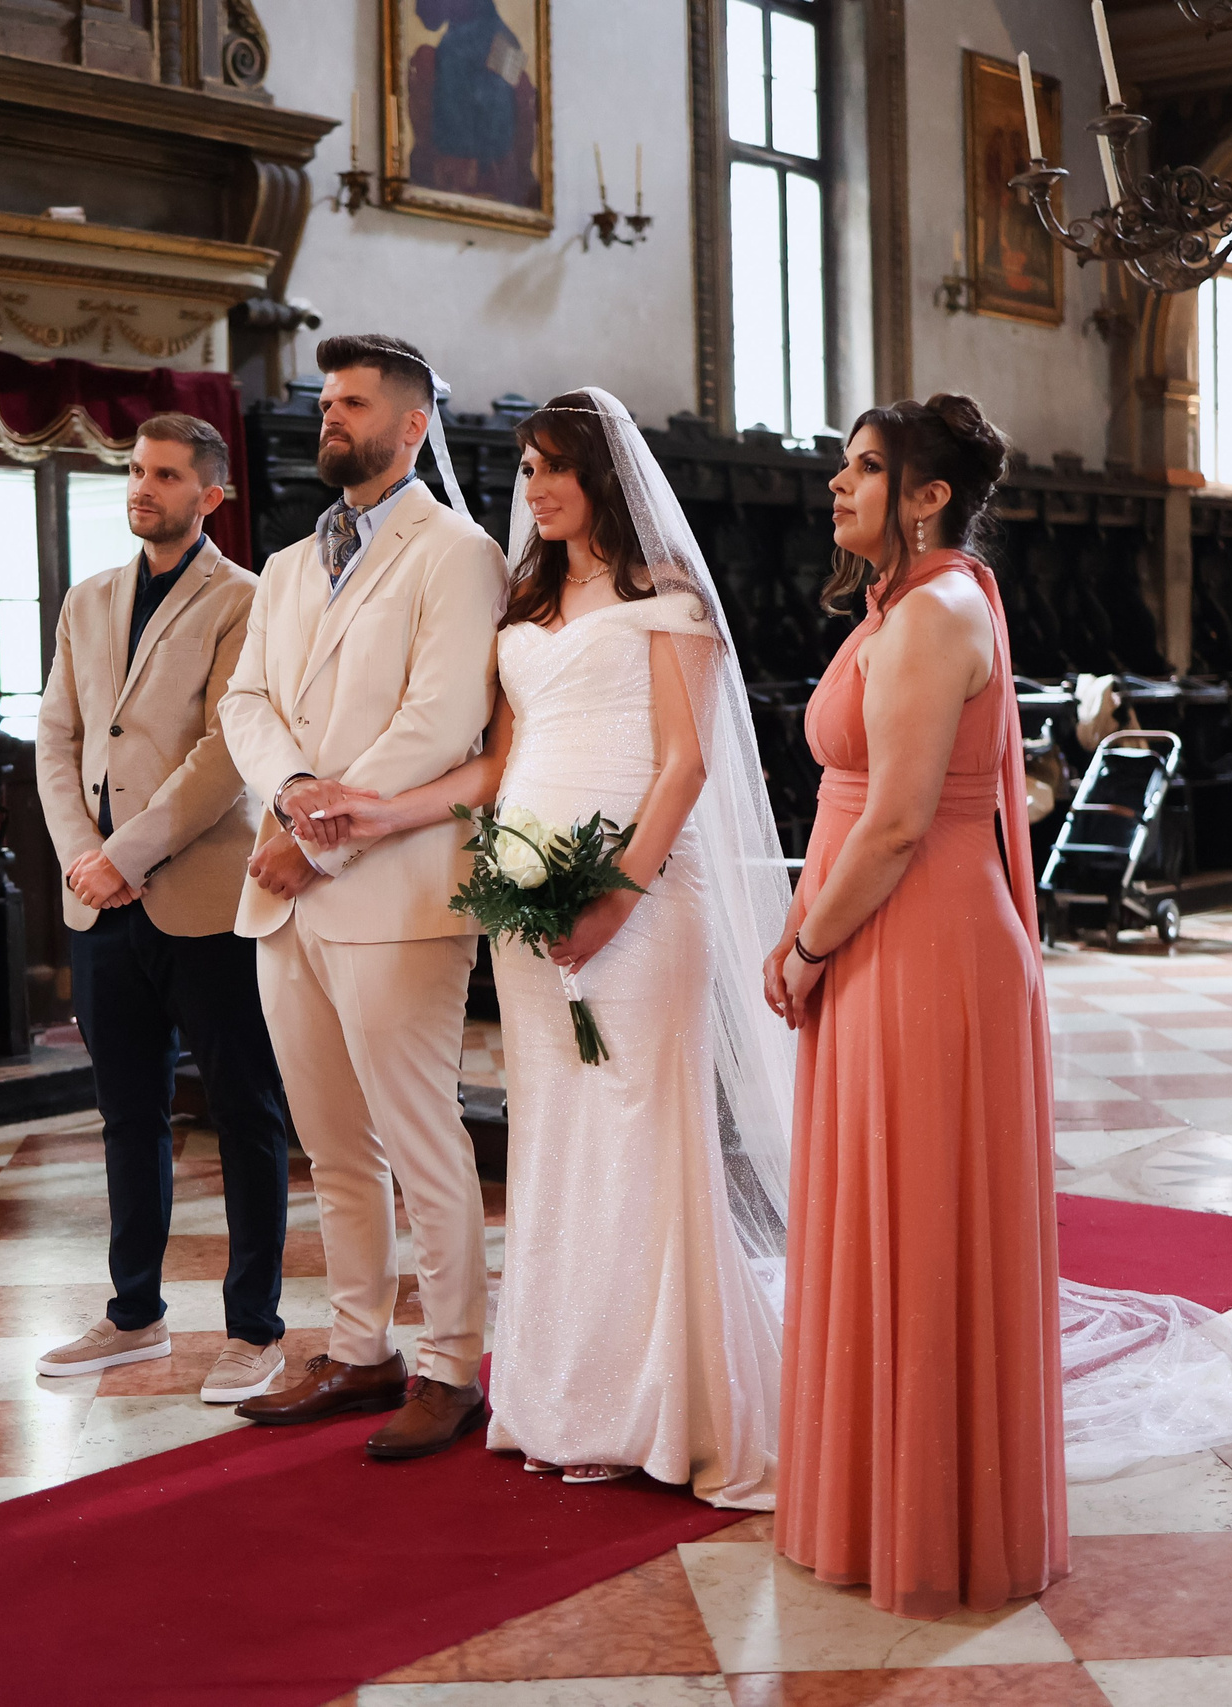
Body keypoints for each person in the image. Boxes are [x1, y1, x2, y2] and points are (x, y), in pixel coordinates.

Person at [308, 388, 786, 1505]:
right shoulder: (524, 603)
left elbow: (684, 765)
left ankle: (663, 1403)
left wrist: (615, 895)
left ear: (606, 477)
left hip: (643, 899)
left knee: (638, 1129)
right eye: (527, 469)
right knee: (555, 1138)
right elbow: (498, 766)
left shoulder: (666, 598)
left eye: (558, 466)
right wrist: (379, 813)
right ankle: (565, 1398)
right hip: (522, 904)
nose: (538, 488)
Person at [764, 396, 1066, 1617]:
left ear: (929, 497)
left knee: (921, 1225)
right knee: (876, 1215)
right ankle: (874, 1497)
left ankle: (936, 1523)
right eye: (843, 466)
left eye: (866, 469)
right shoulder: (899, 607)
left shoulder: (937, 614)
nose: (839, 486)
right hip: (877, 930)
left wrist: (807, 947)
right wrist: (809, 933)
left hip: (920, 942)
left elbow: (893, 825)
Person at [217, 332, 507, 1460]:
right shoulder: (290, 563)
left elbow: (440, 723)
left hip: (397, 890)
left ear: (412, 424)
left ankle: (450, 1364)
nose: (328, 416)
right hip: (287, 887)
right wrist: (293, 798)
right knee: (332, 1145)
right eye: (326, 401)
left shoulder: (458, 553)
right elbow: (245, 703)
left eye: (351, 403)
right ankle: (358, 1348)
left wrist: (319, 842)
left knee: (420, 1136)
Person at [32, 414, 296, 1407]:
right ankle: (134, 1314)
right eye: (137, 470)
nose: (143, 487)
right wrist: (83, 860)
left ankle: (254, 1330)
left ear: (210, 494)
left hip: (205, 898)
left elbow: (225, 756)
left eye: (167, 474)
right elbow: (57, 736)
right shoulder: (89, 596)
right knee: (127, 1114)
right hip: (101, 903)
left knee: (245, 1112)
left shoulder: (246, 599)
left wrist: (126, 855)